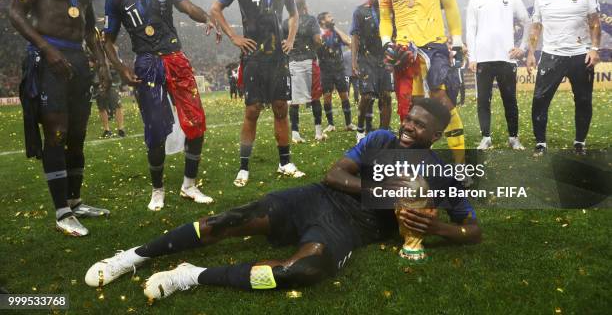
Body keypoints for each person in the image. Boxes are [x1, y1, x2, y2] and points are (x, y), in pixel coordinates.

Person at [85, 98, 481, 299]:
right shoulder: (380, 139)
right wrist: (381, 191)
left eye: (420, 125)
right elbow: (333, 174)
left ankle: (190, 275)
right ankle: (133, 257)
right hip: (316, 199)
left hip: (349, 230)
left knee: (302, 271)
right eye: (409, 118)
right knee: (226, 220)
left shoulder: (443, 171)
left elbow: (473, 230)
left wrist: (440, 227)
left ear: (436, 136)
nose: (409, 127)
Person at [9, 0, 111, 236]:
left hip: (78, 59)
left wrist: (104, 64)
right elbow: (15, 12)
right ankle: (62, 211)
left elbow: (90, 29)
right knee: (56, 132)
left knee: (78, 132)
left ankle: (76, 200)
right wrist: (45, 49)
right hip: (47, 55)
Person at [102, 0, 220, 211]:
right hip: (146, 63)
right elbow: (107, 40)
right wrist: (121, 68)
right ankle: (157, 190)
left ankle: (189, 185)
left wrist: (207, 18)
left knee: (196, 121)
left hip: (176, 58)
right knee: (155, 130)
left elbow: (187, 6)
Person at [210, 0, 304, 187]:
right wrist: (234, 37)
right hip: (253, 56)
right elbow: (215, 8)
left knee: (281, 109)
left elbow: (294, 15)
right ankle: (243, 167)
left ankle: (285, 163)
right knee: (252, 111)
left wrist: (291, 38)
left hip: (278, 58)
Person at [377, 0, 466, 161]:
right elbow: (385, 18)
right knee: (412, 109)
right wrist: (387, 43)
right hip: (405, 50)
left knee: (443, 102)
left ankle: (460, 167)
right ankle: (415, 165)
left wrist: (457, 40)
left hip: (434, 45)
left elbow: (450, 5)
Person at [527, 0, 601, 156]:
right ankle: (540, 142)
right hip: (551, 56)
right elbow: (535, 28)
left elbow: (595, 22)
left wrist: (594, 48)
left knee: (584, 100)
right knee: (540, 99)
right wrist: (531, 52)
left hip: (580, 55)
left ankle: (579, 142)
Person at [465, 0, 528, 151]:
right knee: (483, 100)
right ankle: (486, 137)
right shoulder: (475, 1)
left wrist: (522, 47)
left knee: (510, 99)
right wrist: (472, 58)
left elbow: (527, 21)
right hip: (483, 60)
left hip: (506, 58)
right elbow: (470, 30)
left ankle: (513, 138)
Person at [351, 0, 393, 144]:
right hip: (366, 58)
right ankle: (360, 130)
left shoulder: (389, 10)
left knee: (386, 96)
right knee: (367, 96)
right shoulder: (360, 11)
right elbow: (354, 37)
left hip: (384, 58)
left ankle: (384, 133)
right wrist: (354, 61)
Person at [283, 0, 327, 143]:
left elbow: (282, 44)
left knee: (294, 100)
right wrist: (321, 41)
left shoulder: (286, 22)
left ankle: (295, 134)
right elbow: (317, 40)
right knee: (314, 97)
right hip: (309, 61)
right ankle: (318, 133)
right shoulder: (311, 20)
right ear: (304, 6)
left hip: (293, 62)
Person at [317, 11, 357, 133]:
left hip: (339, 69)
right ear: (323, 21)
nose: (332, 18)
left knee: (344, 95)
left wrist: (335, 28)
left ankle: (349, 123)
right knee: (327, 97)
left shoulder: (335, 32)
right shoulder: (317, 34)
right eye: (329, 17)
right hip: (325, 70)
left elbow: (348, 41)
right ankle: (331, 124)